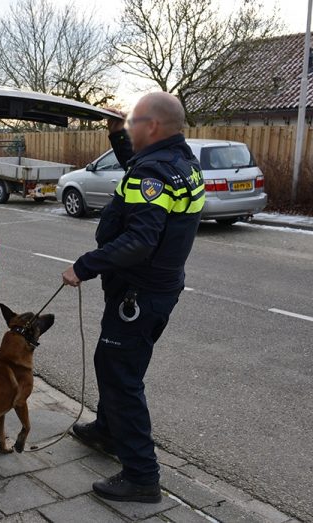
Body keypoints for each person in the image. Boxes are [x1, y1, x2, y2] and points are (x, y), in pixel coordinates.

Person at [61, 92, 204, 504]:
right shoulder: (179, 162)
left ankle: (142, 476)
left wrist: (84, 266)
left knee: (120, 375)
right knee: (115, 364)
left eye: (132, 123)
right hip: (159, 288)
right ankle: (108, 431)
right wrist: (118, 139)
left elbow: (139, 240)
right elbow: (146, 180)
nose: (128, 127)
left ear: (153, 127)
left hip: (138, 293)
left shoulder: (152, 172)